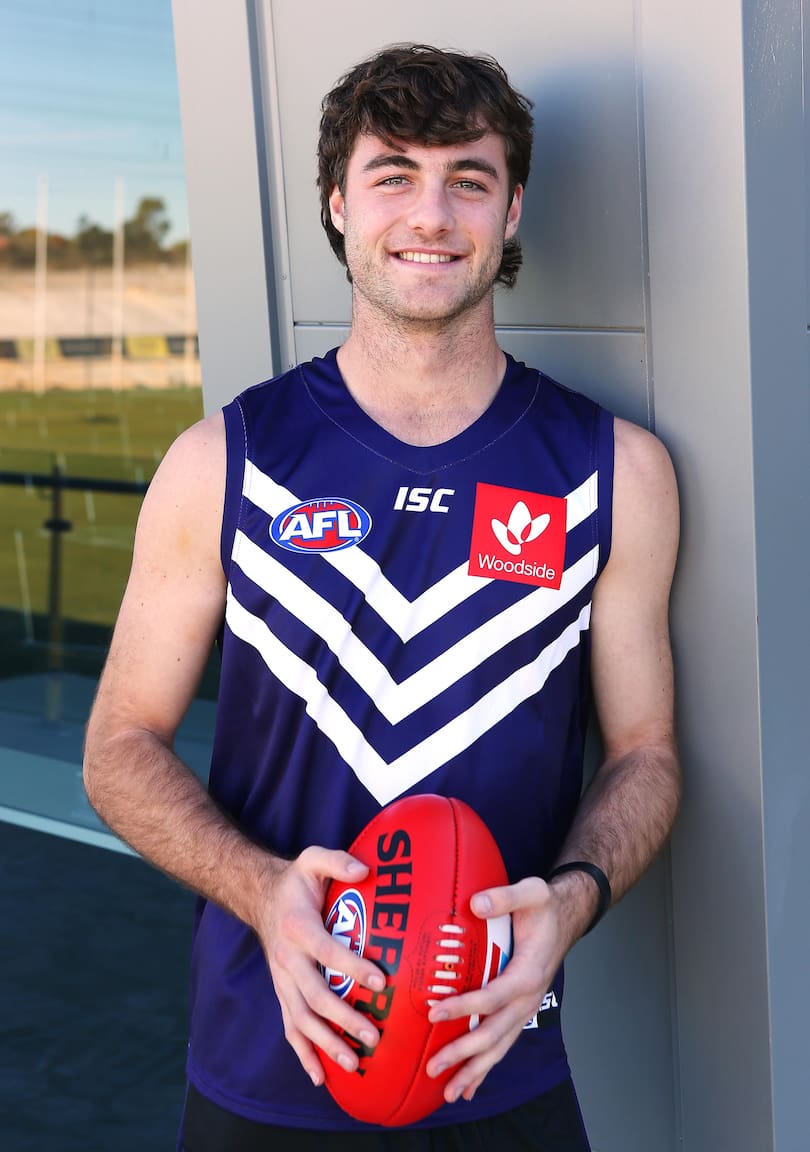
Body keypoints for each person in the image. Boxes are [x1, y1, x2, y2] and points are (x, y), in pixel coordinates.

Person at [83, 43, 681, 1152]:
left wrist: (572, 901)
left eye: (469, 176)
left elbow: (646, 752)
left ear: (511, 212)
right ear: (337, 205)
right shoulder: (226, 462)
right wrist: (263, 892)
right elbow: (118, 744)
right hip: (268, 1056)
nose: (431, 212)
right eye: (393, 174)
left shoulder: (614, 473)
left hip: (494, 1053)